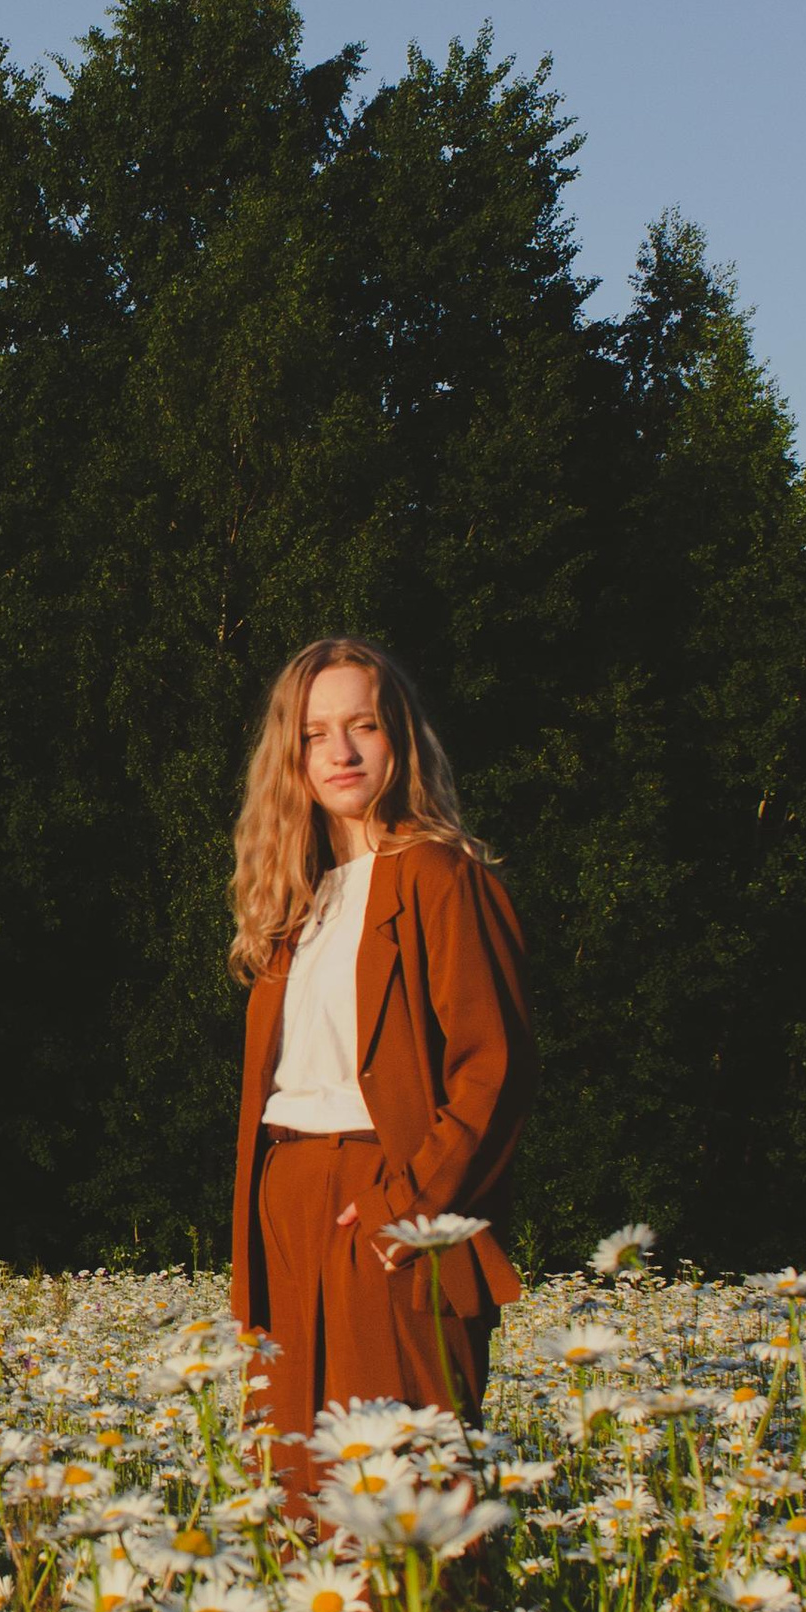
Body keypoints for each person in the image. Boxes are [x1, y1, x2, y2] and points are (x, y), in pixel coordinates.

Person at [227, 636, 531, 1510]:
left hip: (386, 1208)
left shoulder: (441, 875)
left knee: (405, 1497)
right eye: (318, 734)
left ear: (399, 736)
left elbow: (495, 1068)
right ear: (293, 755)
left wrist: (413, 1205)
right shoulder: (293, 901)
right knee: (297, 1492)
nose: (342, 753)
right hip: (285, 1201)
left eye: (362, 725)